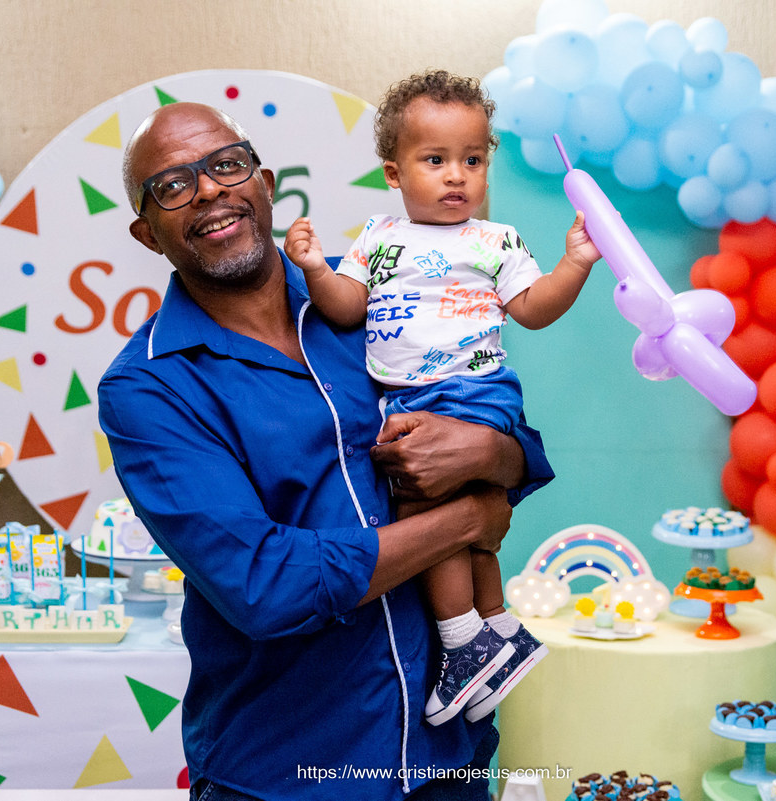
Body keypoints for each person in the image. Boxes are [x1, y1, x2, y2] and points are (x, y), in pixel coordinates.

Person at [98, 100, 554, 801]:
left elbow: (510, 441)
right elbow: (265, 584)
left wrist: (491, 455)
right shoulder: (149, 387)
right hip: (287, 774)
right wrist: (468, 519)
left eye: (227, 165)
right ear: (147, 233)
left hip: (447, 759)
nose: (210, 189)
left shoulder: (372, 294)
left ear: (264, 183)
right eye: (173, 185)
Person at [284, 70, 600, 726]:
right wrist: (315, 269)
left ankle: (462, 642)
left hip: (473, 390)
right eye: (435, 160)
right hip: (409, 396)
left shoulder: (495, 241)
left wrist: (574, 264)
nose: (457, 176)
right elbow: (345, 308)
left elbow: (533, 308)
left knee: (423, 505)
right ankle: (499, 628)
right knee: (455, 515)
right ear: (394, 174)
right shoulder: (378, 238)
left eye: (473, 160)